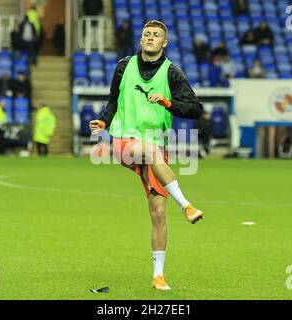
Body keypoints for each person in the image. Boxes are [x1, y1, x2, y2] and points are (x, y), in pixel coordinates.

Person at [89, 20, 204, 291]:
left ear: (164, 43)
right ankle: (186, 205)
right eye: (146, 34)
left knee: (159, 213)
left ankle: (158, 276)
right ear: (141, 39)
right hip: (124, 141)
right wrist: (104, 122)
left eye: (156, 35)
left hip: (156, 147)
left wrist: (167, 102)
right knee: (151, 152)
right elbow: (113, 101)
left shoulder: (172, 73)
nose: (150, 37)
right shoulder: (123, 66)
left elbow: (195, 109)